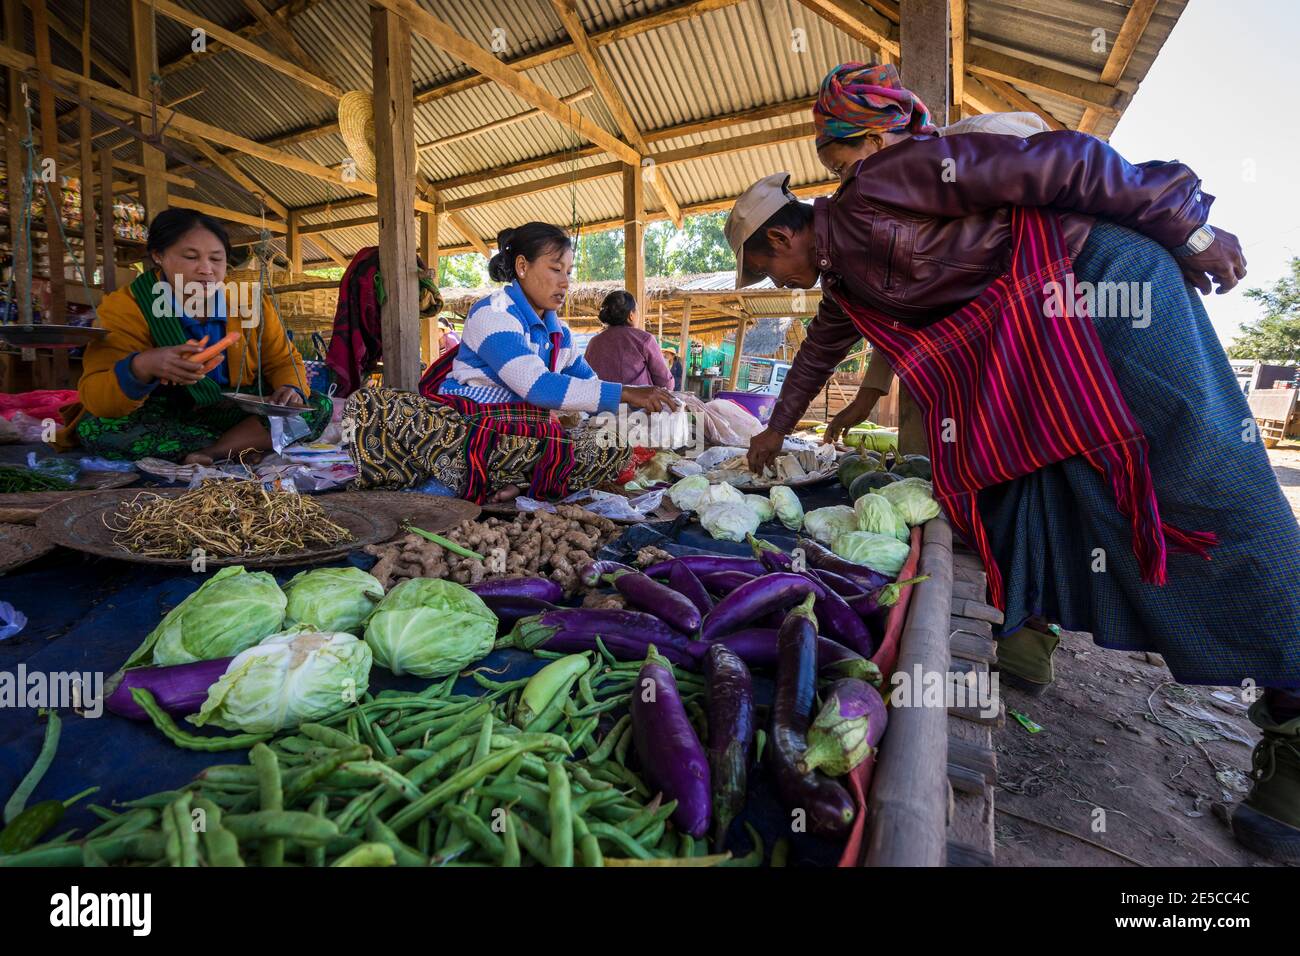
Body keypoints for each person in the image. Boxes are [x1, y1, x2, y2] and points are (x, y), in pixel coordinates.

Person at [727, 63, 1300, 862]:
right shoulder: (846, 280)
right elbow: (819, 354)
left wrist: (1191, 232)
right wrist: (776, 430)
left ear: (783, 237)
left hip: (1104, 287)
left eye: (767, 267)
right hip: (1042, 336)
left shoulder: (884, 179)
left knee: (1201, 483)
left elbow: (1072, 163)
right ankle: (1029, 628)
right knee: (1025, 485)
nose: (774, 282)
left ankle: (1295, 724)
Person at [347, 222, 676, 504]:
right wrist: (631, 393)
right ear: (522, 267)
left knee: (612, 443)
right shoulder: (493, 313)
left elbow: (589, 384)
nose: (565, 282)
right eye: (555, 269)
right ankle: (456, 485)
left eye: (569, 272)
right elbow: (538, 387)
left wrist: (641, 414)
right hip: (467, 432)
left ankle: (515, 482)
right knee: (380, 409)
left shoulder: (556, 331)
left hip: (519, 442)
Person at [65, 209, 329, 464]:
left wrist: (290, 389)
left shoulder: (248, 302)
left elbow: (283, 360)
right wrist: (143, 365)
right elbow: (98, 397)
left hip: (231, 407)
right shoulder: (126, 307)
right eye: (191, 257)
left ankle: (210, 452)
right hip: (162, 411)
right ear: (158, 255)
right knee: (95, 428)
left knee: (317, 407)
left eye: (216, 259)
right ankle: (240, 446)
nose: (206, 269)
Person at [583, 291, 674, 388]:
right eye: (637, 310)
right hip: (637, 402)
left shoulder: (594, 342)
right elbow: (665, 382)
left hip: (603, 401)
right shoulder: (644, 340)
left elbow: (585, 378)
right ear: (631, 315)